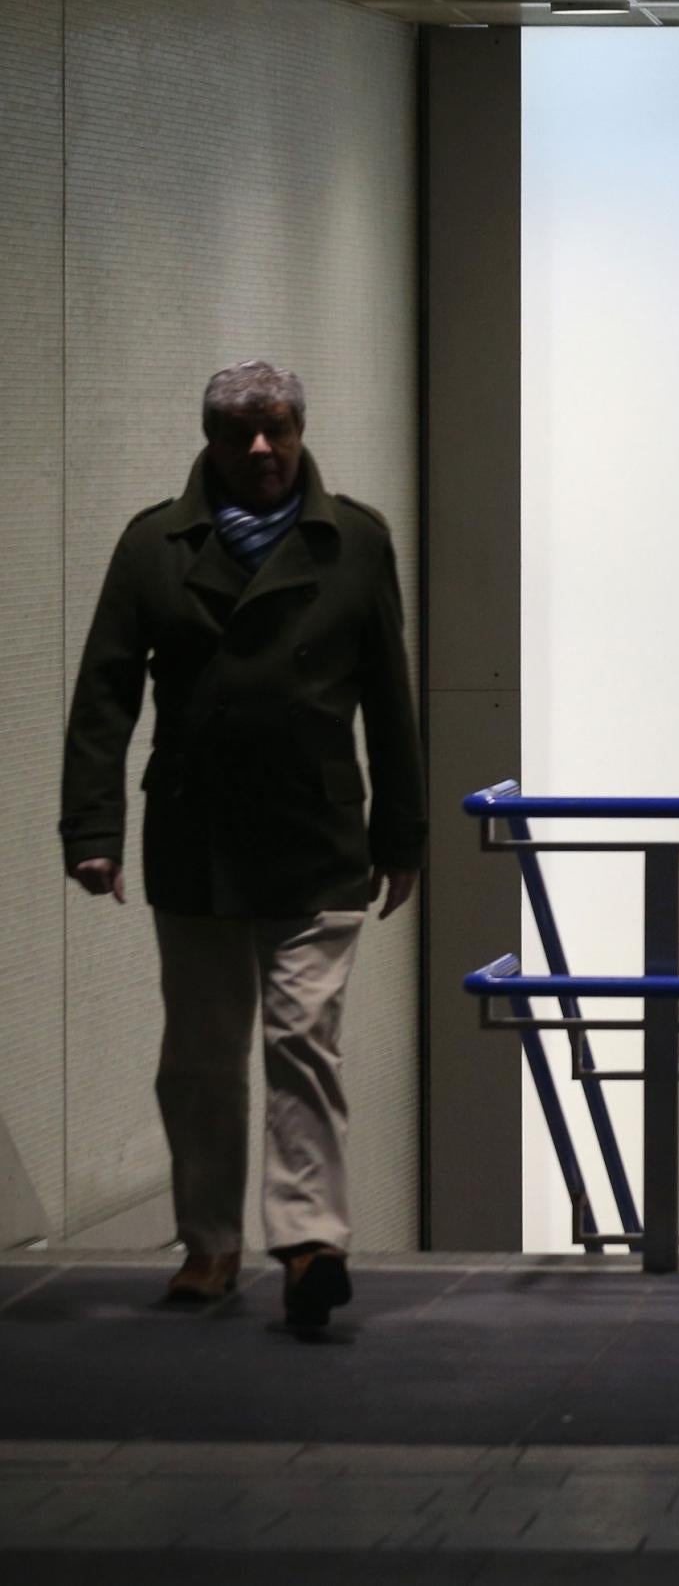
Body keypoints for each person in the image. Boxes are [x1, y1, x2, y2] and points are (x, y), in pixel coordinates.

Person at [59, 361, 422, 1332]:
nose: (260, 448)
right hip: (199, 833)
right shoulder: (155, 546)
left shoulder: (354, 542)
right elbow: (103, 696)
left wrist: (403, 835)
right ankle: (211, 1243)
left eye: (276, 429)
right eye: (238, 433)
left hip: (317, 835)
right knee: (202, 1054)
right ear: (211, 442)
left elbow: (391, 700)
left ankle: (308, 1244)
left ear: (300, 431)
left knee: (304, 1042)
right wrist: (92, 829)